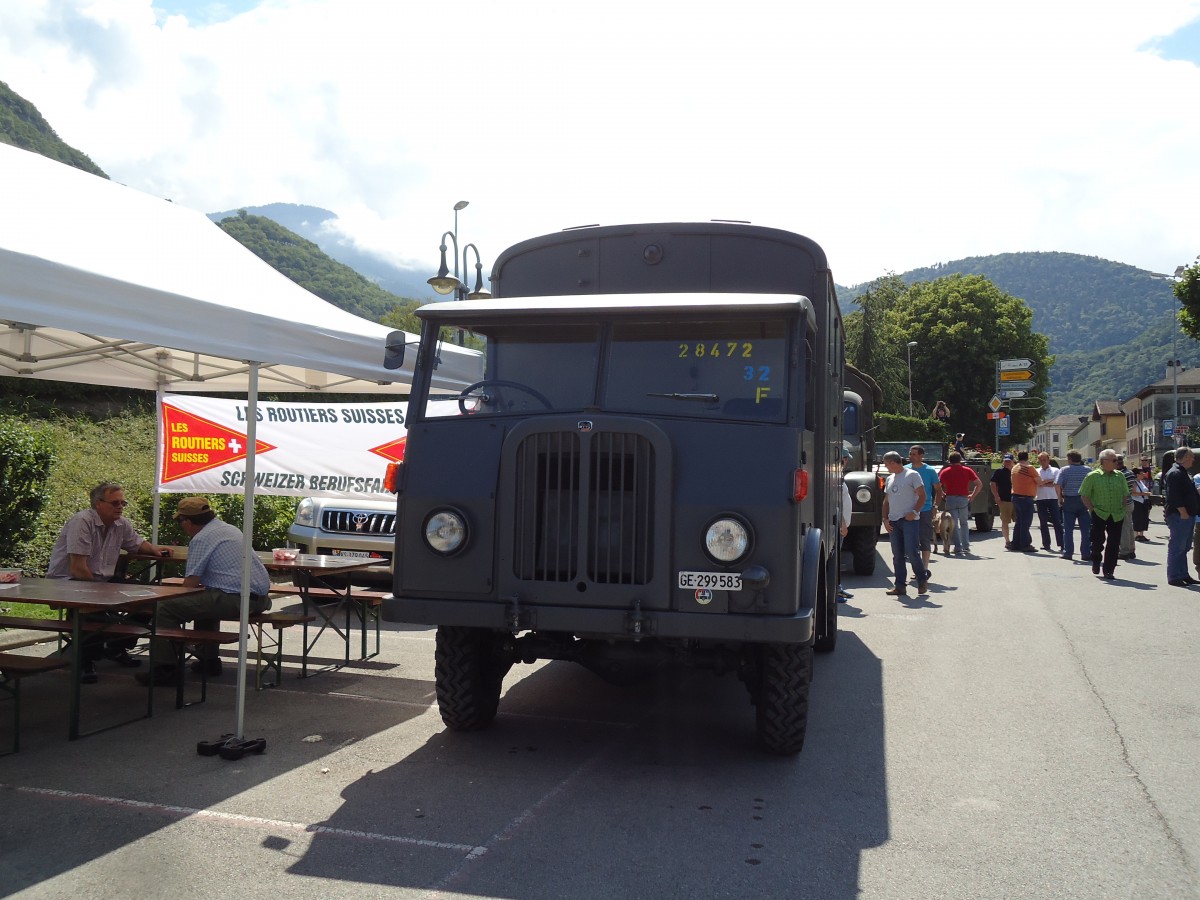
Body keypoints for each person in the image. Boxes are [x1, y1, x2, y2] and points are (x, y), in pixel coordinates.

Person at [136, 497, 272, 685]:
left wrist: (163, 596)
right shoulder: (229, 529)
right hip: (261, 599)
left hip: (237, 599)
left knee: (164, 608)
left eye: (180, 522)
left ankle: (165, 669)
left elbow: (190, 584)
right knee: (203, 602)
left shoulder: (201, 538)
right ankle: (209, 661)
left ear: (187, 521)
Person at [47, 480, 170, 683]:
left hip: (103, 580)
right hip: (70, 581)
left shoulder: (121, 523)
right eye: (115, 503)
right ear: (98, 504)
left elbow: (137, 543)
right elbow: (78, 569)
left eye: (123, 503)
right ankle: (86, 662)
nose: (120, 507)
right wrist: (104, 595)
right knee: (92, 607)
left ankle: (117, 646)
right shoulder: (82, 522)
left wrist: (155, 550)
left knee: (150, 599)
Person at [881, 451, 930, 597]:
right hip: (894, 521)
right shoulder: (890, 479)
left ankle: (922, 579)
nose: (886, 467)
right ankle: (900, 586)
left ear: (893, 462)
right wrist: (885, 519)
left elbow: (922, 496)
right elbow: (886, 501)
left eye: (886, 464)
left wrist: (914, 512)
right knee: (897, 555)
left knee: (912, 552)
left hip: (909, 521)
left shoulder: (912, 475)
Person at [1079, 448, 1131, 581]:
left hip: (1117, 514)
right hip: (1099, 513)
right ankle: (1096, 560)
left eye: (1117, 460)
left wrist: (1123, 508)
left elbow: (1125, 493)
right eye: (1114, 460)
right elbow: (1084, 494)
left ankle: (1109, 570)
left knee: (1114, 543)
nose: (1117, 462)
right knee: (1097, 542)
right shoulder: (1092, 476)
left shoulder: (1120, 476)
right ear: (1104, 461)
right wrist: (1092, 510)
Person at [1162, 447, 1200, 587]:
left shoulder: (1183, 472)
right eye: (1191, 457)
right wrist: (1183, 512)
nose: (1193, 459)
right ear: (1185, 458)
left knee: (1184, 547)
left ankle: (1183, 574)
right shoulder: (1175, 473)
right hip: (1180, 516)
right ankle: (1174, 576)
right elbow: (1174, 496)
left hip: (1188, 515)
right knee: (1177, 547)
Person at [938, 450, 981, 554]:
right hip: (963, 498)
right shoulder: (967, 470)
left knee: (953, 524)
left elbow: (938, 486)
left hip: (950, 498)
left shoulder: (945, 471)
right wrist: (972, 496)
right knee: (964, 523)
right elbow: (979, 484)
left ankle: (958, 547)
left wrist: (942, 494)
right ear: (960, 459)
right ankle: (966, 546)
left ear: (949, 460)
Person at [907, 445, 941, 571]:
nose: (911, 456)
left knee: (924, 539)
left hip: (925, 509)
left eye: (914, 454)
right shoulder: (905, 469)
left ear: (921, 456)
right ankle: (917, 569)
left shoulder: (930, 471)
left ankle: (924, 568)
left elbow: (938, 490)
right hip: (908, 510)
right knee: (911, 541)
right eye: (910, 454)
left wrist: (935, 507)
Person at [1055, 450, 1092, 561]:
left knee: (1068, 529)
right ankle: (1086, 553)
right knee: (1085, 529)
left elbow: (1057, 485)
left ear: (1070, 459)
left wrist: (1060, 499)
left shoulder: (1064, 470)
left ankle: (1068, 552)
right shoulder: (1088, 470)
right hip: (1084, 500)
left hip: (1069, 500)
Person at [1009, 451, 1039, 552]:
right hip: (1026, 497)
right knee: (1026, 522)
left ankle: (1015, 543)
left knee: (1019, 522)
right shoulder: (1029, 468)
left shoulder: (1014, 468)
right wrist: (1050, 481)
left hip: (1016, 497)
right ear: (1027, 457)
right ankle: (1025, 544)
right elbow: (1039, 481)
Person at [1035, 452, 1063, 552]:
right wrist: (1048, 481)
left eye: (1044, 460)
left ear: (1048, 460)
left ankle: (1062, 544)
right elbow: (1036, 484)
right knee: (1043, 523)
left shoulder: (1055, 470)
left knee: (1057, 522)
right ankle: (1046, 544)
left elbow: (1056, 483)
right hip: (1040, 499)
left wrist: (1043, 482)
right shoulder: (1036, 471)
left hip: (1053, 498)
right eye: (1040, 460)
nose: (1042, 462)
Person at [1115, 455, 1138, 561]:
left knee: (1124, 527)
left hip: (1123, 502)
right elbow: (1133, 488)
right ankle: (1131, 550)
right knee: (1129, 526)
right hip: (1130, 501)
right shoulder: (1130, 473)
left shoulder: (1120, 474)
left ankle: (1124, 551)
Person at [991, 454, 1015, 547]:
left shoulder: (1016, 471)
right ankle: (1007, 541)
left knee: (1019, 521)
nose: (1007, 463)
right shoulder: (999, 472)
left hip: (1017, 500)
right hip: (1004, 500)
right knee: (1005, 522)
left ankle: (1017, 540)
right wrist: (996, 497)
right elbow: (992, 483)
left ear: (1013, 462)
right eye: (1006, 461)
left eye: (1009, 461)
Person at [1130, 467, 1152, 541]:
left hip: (1143, 502)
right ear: (1137, 474)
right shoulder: (1134, 482)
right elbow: (1133, 493)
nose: (1143, 475)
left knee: (1144, 518)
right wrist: (1144, 493)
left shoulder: (1141, 482)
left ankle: (1141, 534)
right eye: (1141, 473)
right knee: (1137, 518)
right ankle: (1136, 535)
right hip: (1137, 502)